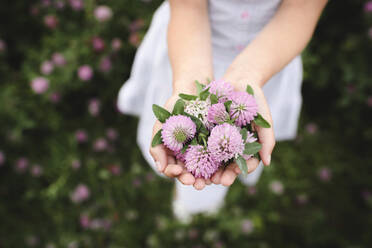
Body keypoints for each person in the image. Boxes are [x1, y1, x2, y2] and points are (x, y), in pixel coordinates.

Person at [118, 0, 328, 221]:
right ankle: (188, 196)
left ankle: (198, 202)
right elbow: (188, 7)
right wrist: (189, 83)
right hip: (187, 48)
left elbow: (302, 9)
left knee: (221, 163)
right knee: (177, 147)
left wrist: (247, 78)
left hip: (268, 58)